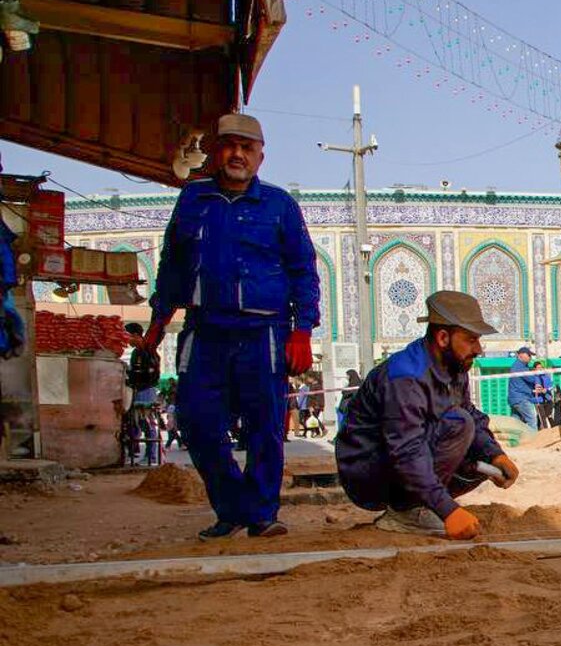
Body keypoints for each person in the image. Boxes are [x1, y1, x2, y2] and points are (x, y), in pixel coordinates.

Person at [133, 113, 320, 540]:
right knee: (197, 422)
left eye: (246, 147)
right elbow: (174, 265)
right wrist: (158, 322)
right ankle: (232, 505)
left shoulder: (279, 206)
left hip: (264, 332)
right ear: (216, 152)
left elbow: (303, 271)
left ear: (260, 156)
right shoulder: (194, 199)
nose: (237, 154)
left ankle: (261, 515)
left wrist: (302, 329)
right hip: (207, 330)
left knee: (265, 428)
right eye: (229, 145)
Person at [336, 290, 520, 539]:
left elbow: (469, 412)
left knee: (478, 457)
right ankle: (407, 511)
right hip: (369, 471)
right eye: (471, 339)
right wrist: (448, 511)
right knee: (459, 424)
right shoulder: (406, 377)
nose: (479, 349)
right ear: (443, 337)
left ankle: (420, 504)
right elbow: (406, 450)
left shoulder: (454, 366)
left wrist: (495, 455)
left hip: (401, 460)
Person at [506, 346, 539, 430]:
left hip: (515, 398)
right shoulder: (520, 367)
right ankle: (533, 440)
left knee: (516, 422)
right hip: (521, 398)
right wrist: (537, 375)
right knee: (532, 419)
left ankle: (515, 440)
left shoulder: (518, 366)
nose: (530, 357)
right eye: (529, 355)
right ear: (521, 355)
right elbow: (531, 379)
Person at [531, 360, 555, 429]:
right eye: (538, 368)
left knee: (548, 415)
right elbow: (530, 389)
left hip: (548, 399)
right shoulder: (532, 378)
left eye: (541, 367)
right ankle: (545, 430)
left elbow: (551, 386)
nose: (540, 369)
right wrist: (537, 391)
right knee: (542, 416)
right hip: (538, 400)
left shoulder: (546, 377)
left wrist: (546, 390)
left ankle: (541, 428)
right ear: (535, 369)